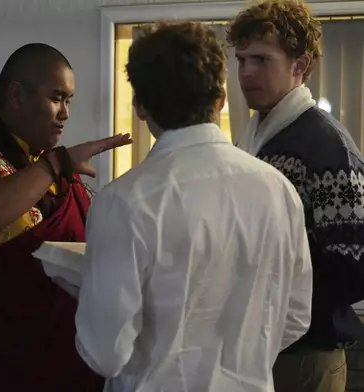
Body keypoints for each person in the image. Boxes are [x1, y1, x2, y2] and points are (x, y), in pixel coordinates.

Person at [72, 21, 313, 392]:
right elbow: (295, 316)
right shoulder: (277, 190)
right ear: (221, 101)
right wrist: (234, 358)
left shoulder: (125, 201)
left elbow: (105, 353)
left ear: (139, 106)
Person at [0, 42, 131, 392]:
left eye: (69, 101)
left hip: (60, 362)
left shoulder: (55, 172)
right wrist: (55, 165)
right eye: (57, 97)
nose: (65, 113)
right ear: (16, 96)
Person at [228, 1, 364, 390]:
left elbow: (354, 264)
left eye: (261, 60)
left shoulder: (326, 145)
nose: (247, 73)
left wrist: (273, 307)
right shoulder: (256, 137)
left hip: (306, 354)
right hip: (259, 347)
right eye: (241, 60)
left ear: (299, 65)